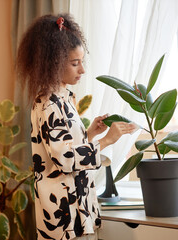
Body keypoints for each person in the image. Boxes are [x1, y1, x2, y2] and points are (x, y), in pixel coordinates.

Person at [16, 14, 136, 240]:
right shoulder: (48, 104)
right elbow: (65, 160)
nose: (82, 70)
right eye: (75, 63)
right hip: (64, 218)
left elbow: (64, 146)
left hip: (79, 209)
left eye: (82, 61)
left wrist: (90, 133)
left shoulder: (65, 98)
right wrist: (107, 140)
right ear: (53, 62)